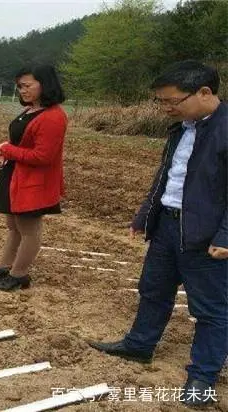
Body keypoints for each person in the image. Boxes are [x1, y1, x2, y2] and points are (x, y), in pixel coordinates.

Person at [88, 61, 227, 408]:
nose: (166, 108)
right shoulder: (181, 128)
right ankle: (139, 345)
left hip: (205, 234)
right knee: (153, 289)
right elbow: (166, 176)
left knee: (211, 309)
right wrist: (144, 215)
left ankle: (202, 377)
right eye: (162, 102)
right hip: (166, 224)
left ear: (205, 93)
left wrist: (225, 236)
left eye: (172, 101)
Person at [0, 64, 67, 292]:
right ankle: (3, 267)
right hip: (17, 176)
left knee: (29, 229)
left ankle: (19, 274)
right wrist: (8, 149)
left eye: (27, 85)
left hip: (33, 182)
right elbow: (23, 143)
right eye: (20, 86)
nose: (22, 90)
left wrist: (7, 149)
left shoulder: (53, 116)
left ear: (45, 84)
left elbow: (43, 156)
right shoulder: (31, 110)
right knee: (13, 225)